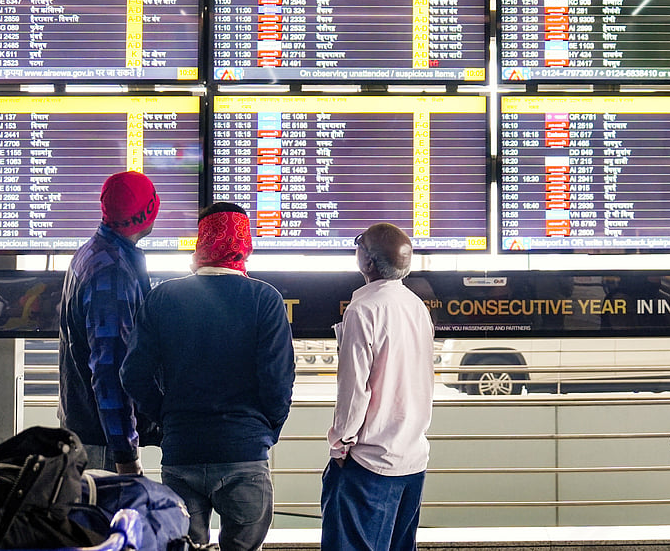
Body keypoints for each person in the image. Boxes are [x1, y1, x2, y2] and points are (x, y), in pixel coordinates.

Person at [121, 202, 295, 551]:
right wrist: (263, 430)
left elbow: (133, 373)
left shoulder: (162, 297)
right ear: (245, 244)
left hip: (182, 451)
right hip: (245, 451)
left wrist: (167, 418)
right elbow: (278, 381)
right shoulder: (266, 299)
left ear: (201, 241)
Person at [322, 223, 435, 551]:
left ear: (368, 263)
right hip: (412, 459)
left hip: (369, 463)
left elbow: (355, 389)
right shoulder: (416, 307)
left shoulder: (363, 310)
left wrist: (342, 443)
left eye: (358, 244)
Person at [58, 170, 159, 474]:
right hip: (103, 445)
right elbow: (110, 370)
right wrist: (125, 454)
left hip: (87, 430)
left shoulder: (91, 253)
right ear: (148, 213)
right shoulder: (112, 273)